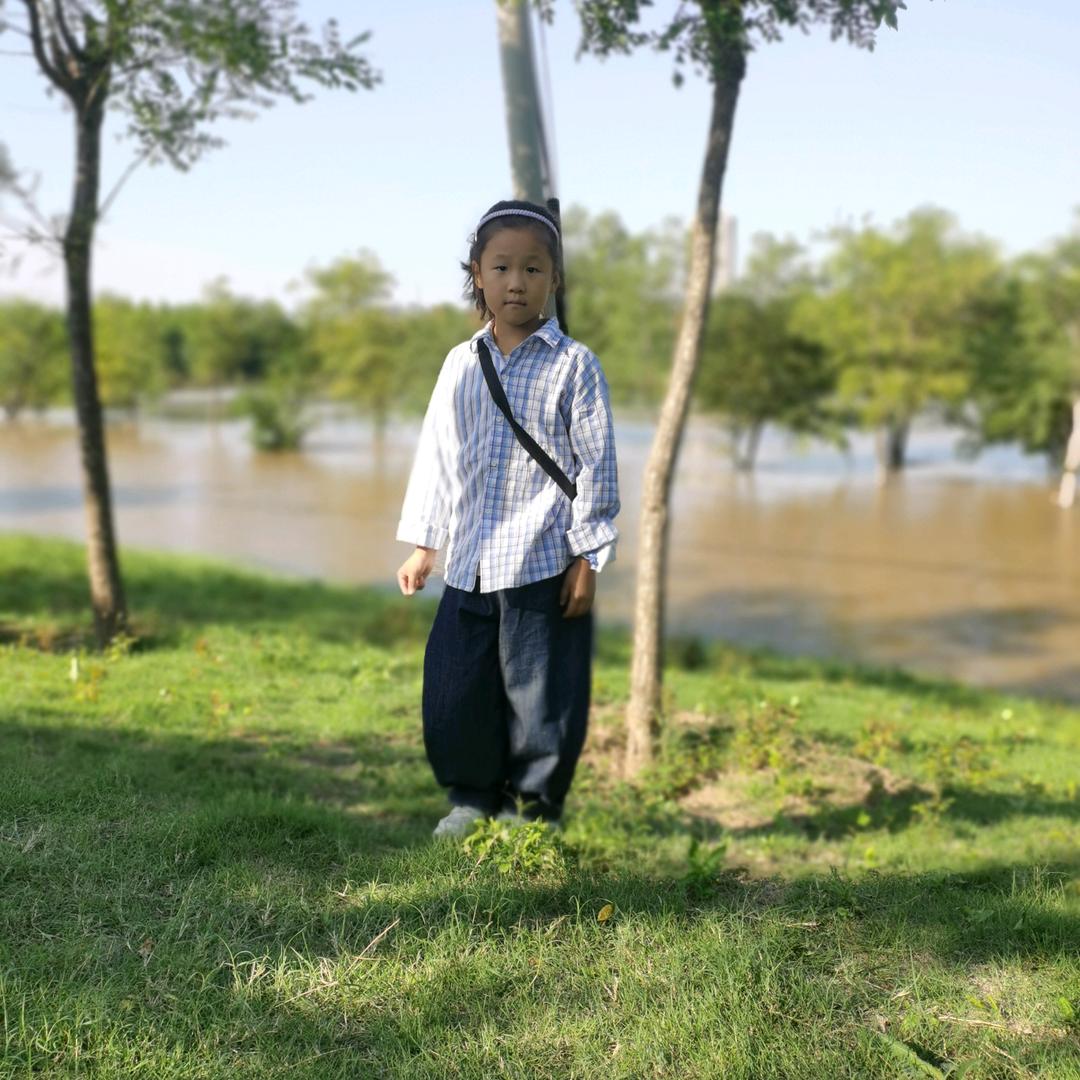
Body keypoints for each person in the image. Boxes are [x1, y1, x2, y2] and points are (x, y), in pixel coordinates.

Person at [395, 199, 620, 838]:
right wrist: (423, 544)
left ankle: (533, 809)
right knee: (457, 691)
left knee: (540, 697)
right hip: (467, 562)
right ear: (478, 275)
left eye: (532, 268)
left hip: (541, 560)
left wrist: (588, 556)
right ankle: (472, 800)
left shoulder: (575, 365)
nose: (516, 281)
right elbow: (438, 454)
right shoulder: (460, 363)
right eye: (501, 267)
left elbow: (595, 464)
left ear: (554, 279)